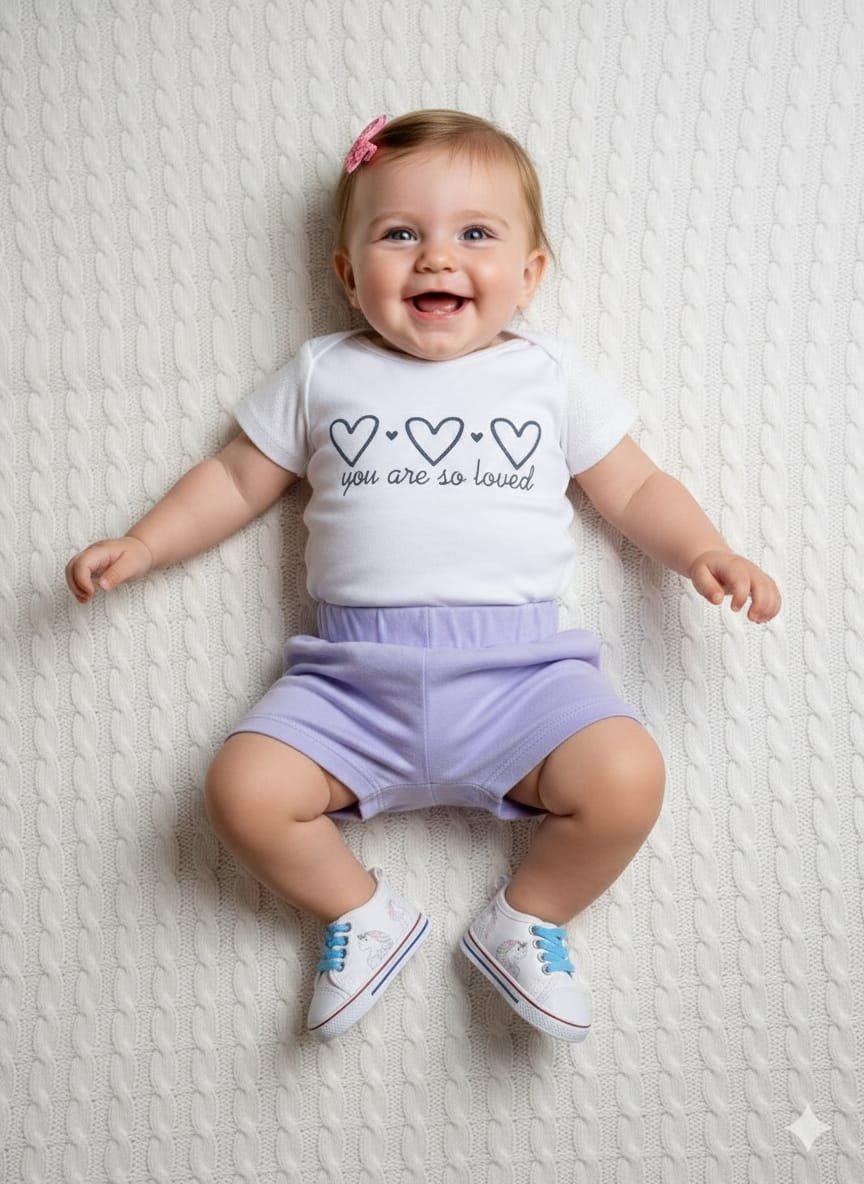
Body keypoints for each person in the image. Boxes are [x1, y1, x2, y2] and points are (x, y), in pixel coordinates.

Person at [66, 110, 780, 1044]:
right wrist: (145, 542)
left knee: (628, 776)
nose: (437, 257)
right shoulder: (322, 371)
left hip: (524, 680)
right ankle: (361, 912)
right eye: (400, 234)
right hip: (348, 683)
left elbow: (637, 485)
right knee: (242, 790)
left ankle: (527, 919)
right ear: (346, 273)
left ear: (530, 274)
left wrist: (703, 550)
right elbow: (237, 479)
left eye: (476, 233)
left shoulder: (548, 376)